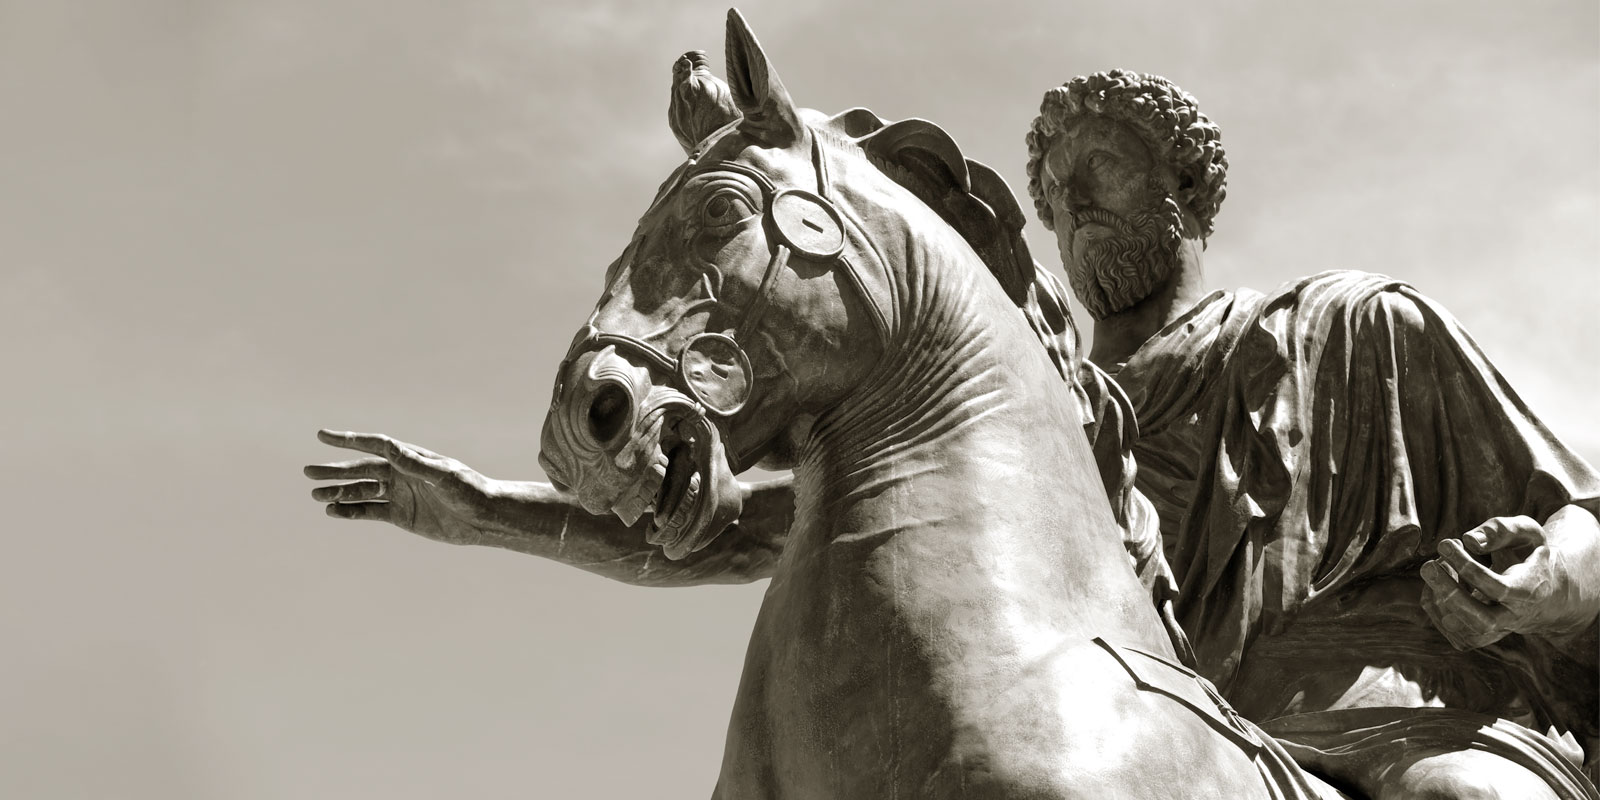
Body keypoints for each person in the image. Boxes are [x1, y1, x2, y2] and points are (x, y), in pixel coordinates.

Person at [1023, 69, 1599, 798]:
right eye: (1051, 192)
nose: (1072, 205)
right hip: (1122, 742)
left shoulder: (1359, 333)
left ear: (1189, 181)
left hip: (1385, 733)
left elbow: (1581, 519)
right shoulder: (1046, 423)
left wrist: (1544, 581)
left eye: (1098, 167)